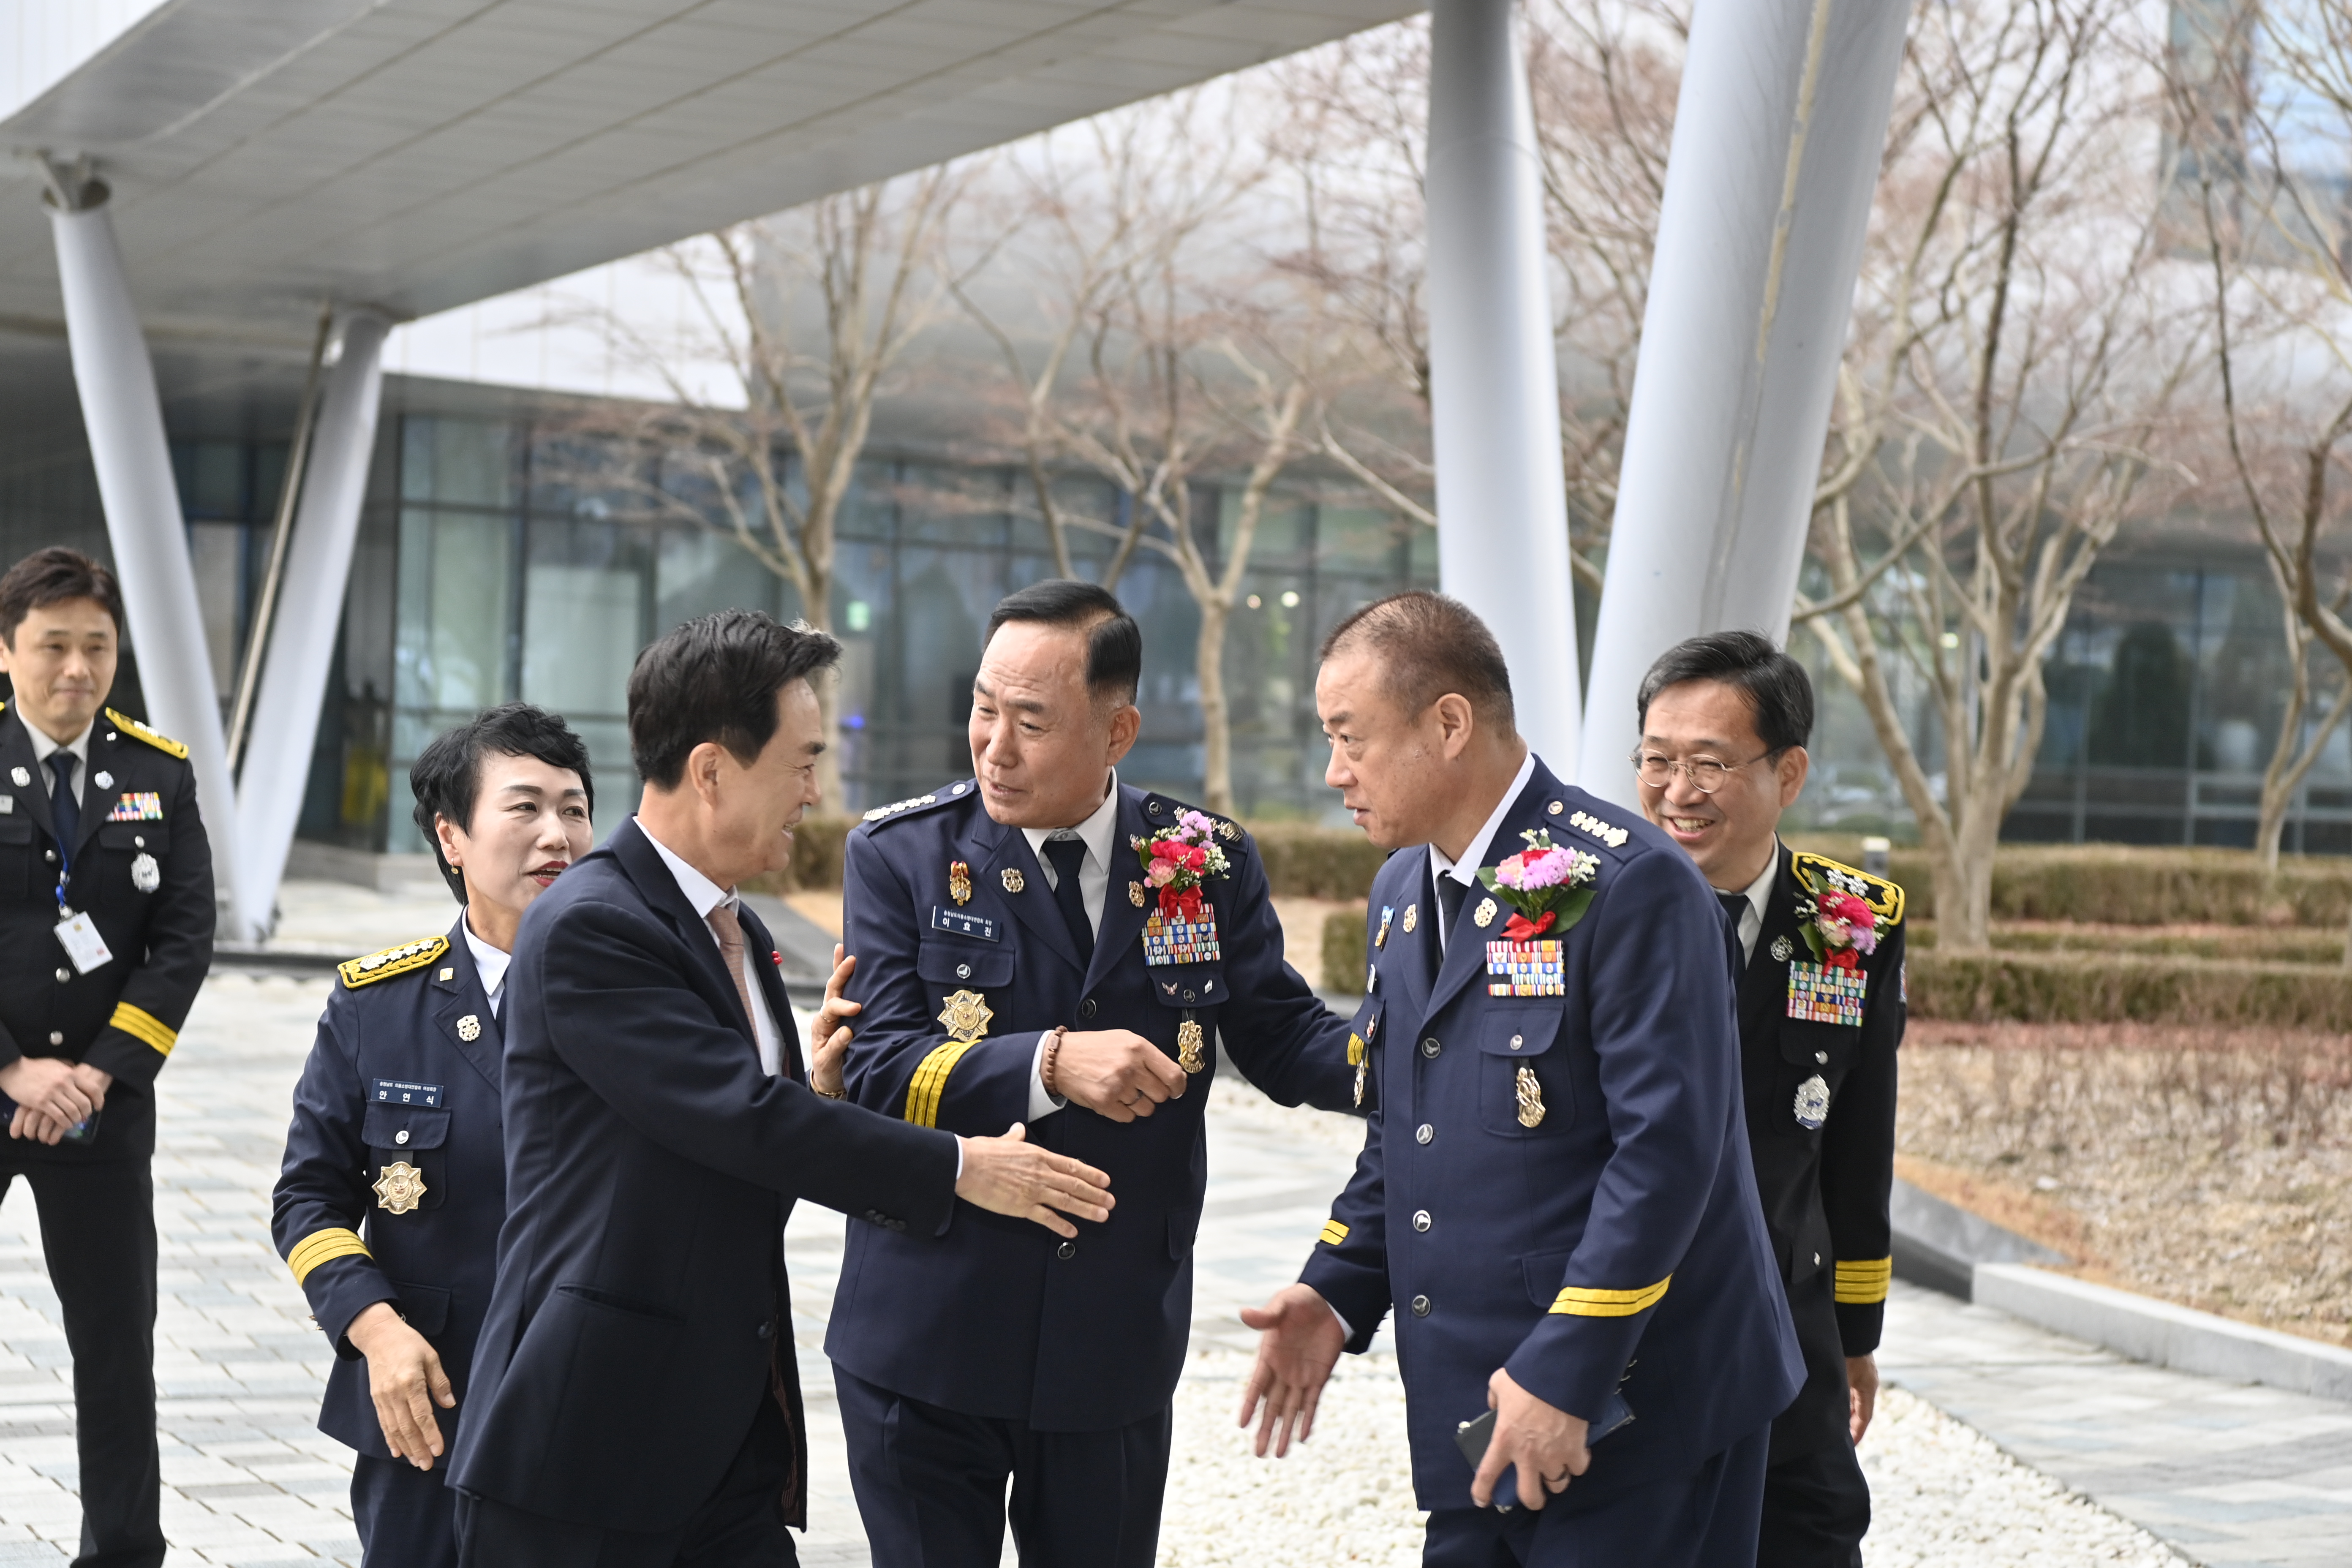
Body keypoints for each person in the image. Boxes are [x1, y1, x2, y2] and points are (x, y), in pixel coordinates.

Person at [444, 610, 1113, 1567]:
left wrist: (827, 1096)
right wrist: (965, 1165)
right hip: (588, 1443)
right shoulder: (594, 923)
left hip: (721, 1439)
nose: (815, 788)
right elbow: (744, 1118)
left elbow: (735, 1137)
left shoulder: (737, 931)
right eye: (802, 760)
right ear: (713, 769)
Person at [1238, 591, 1803, 1568]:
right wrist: (1333, 1294)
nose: (1334, 773)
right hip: (1482, 1410)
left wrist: (1567, 1370)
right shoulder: (1404, 895)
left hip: (1640, 1409)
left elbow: (1667, 1158)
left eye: (1350, 738)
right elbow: (1406, 1132)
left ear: (1449, 723)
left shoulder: (1634, 885)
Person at [828, 578, 1359, 1567]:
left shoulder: (1202, 859)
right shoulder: (901, 854)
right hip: (931, 1324)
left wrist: (1420, 1059)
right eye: (984, 708)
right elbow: (880, 1064)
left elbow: (1283, 1034)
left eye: (1033, 720)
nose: (995, 743)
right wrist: (1051, 1062)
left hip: (1110, 1335)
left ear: (1119, 733)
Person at [271, 703, 597, 1568]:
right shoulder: (379, 1005)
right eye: (524, 807)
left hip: (594, 1396)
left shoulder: (636, 998)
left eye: (573, 808)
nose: (556, 834)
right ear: (452, 836)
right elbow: (308, 1197)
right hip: (429, 1405)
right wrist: (373, 1327)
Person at [1632, 632, 1902, 1568]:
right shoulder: (1579, 909)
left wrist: (1857, 1335)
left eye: (1709, 762)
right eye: (1658, 760)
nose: (1677, 790)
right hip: (1631, 1327)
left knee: (1817, 1535)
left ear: (1788, 773)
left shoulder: (1852, 924)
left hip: (1789, 1332)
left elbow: (1860, 1150)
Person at [0, 546, 214, 1568]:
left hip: (102, 1103)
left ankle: (123, 1548)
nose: (77, 668)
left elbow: (184, 937)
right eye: (53, 646)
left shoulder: (158, 772)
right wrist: (11, 1067)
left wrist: (96, 1072)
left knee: (117, 1344)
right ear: (6, 652)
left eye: (97, 645)